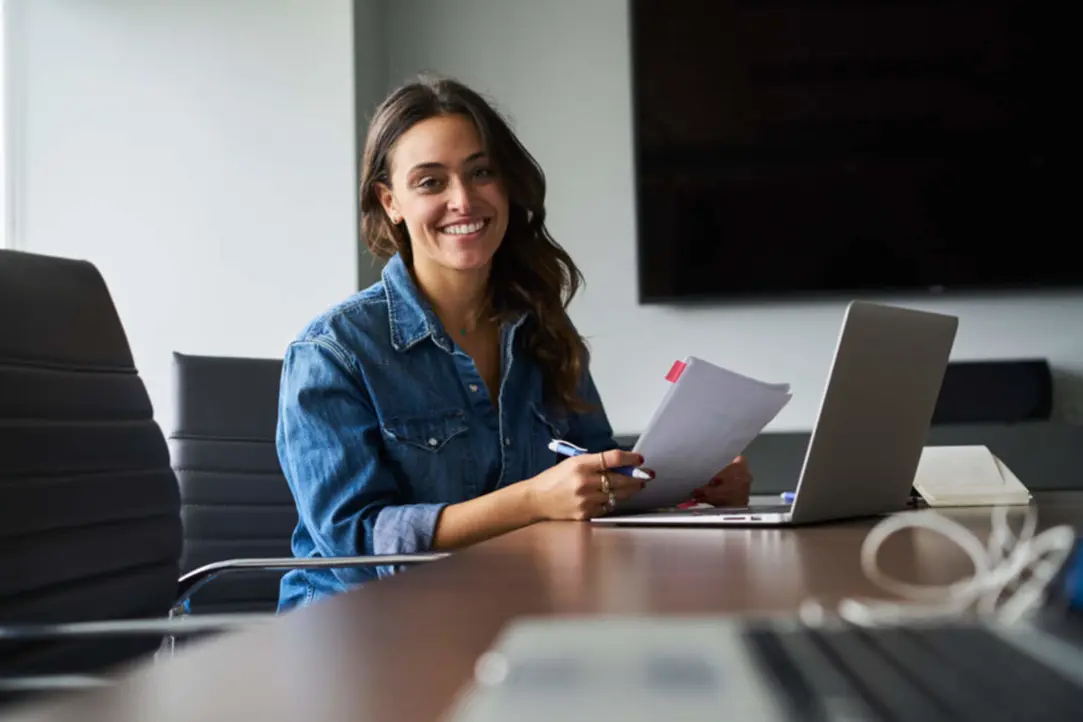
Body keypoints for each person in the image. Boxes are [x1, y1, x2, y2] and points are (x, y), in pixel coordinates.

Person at [274, 74, 753, 612]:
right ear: (391, 202)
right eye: (431, 182)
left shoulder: (541, 330)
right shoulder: (332, 351)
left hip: (504, 608)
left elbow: (590, 483)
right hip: (362, 629)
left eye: (481, 172)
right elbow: (354, 543)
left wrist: (691, 488)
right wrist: (530, 501)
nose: (463, 199)